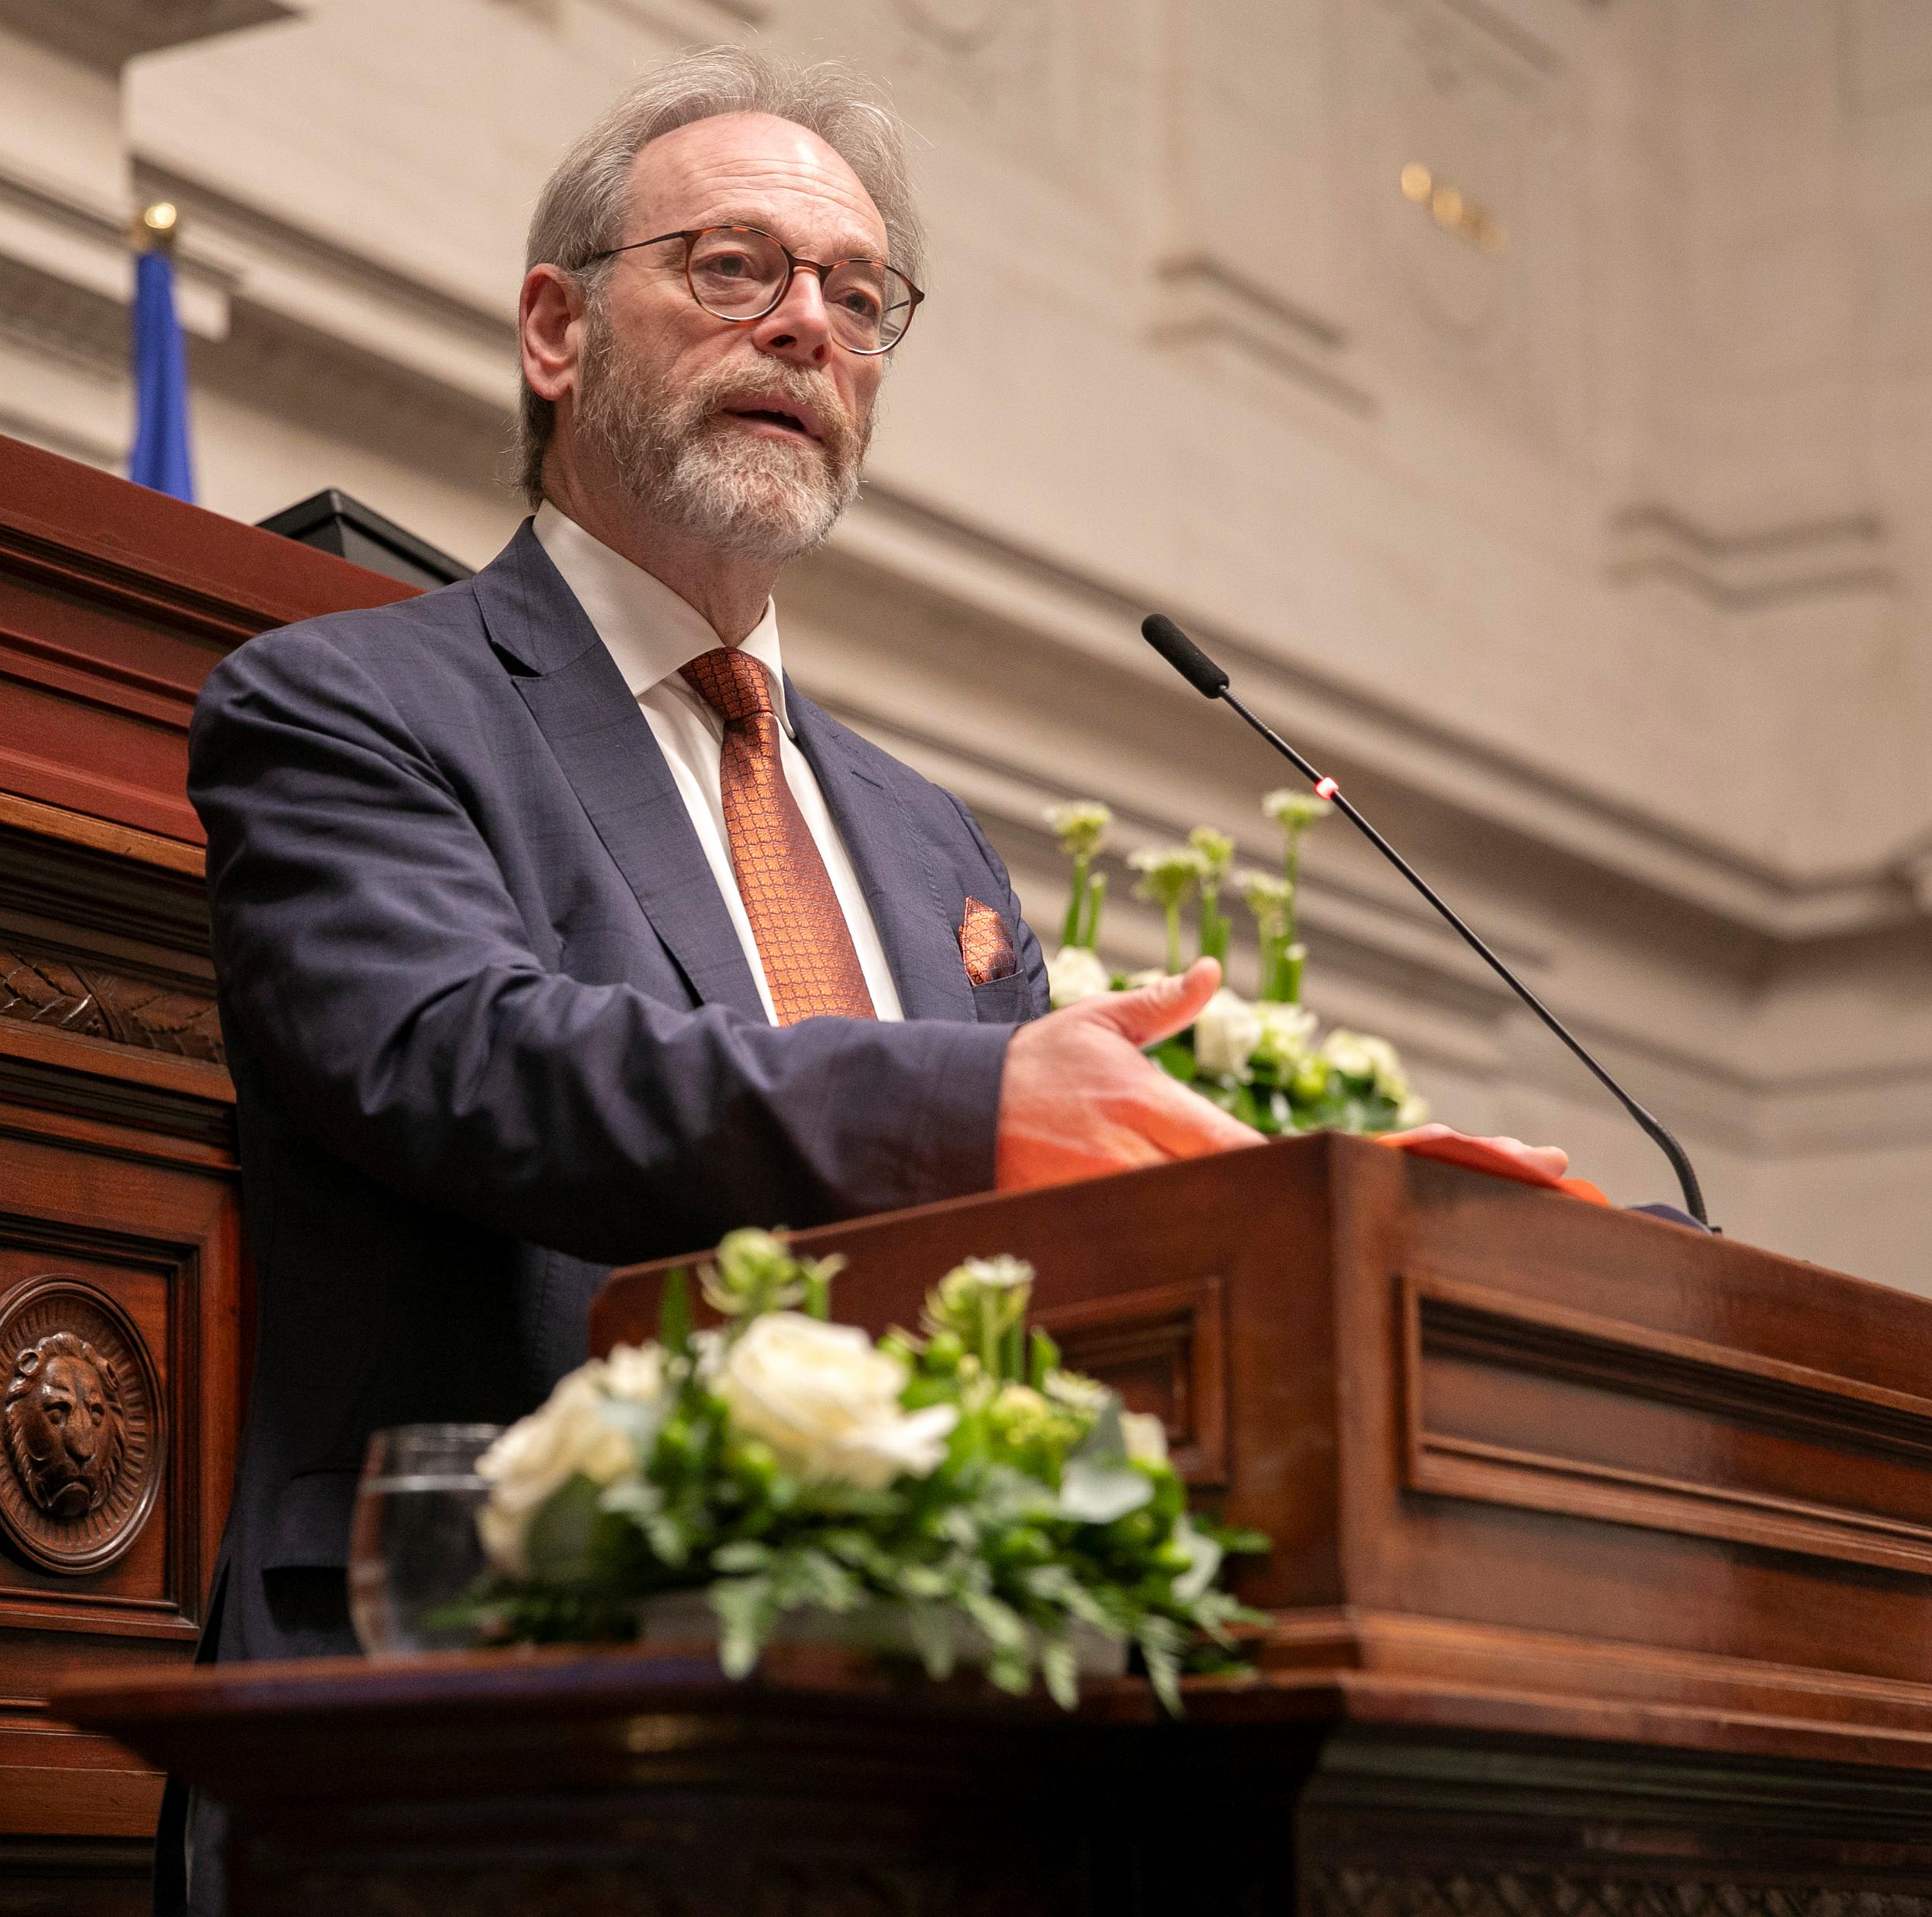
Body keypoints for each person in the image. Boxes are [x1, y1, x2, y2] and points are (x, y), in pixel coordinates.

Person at [165, 47, 1566, 1912]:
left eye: (860, 294)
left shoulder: (926, 842)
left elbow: (1044, 1270)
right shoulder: (347, 706)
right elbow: (459, 1059)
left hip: (924, 1755)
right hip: (477, 1719)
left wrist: (1321, 1204)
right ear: (556, 330)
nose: (809, 326)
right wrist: (977, 1105)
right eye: (735, 267)